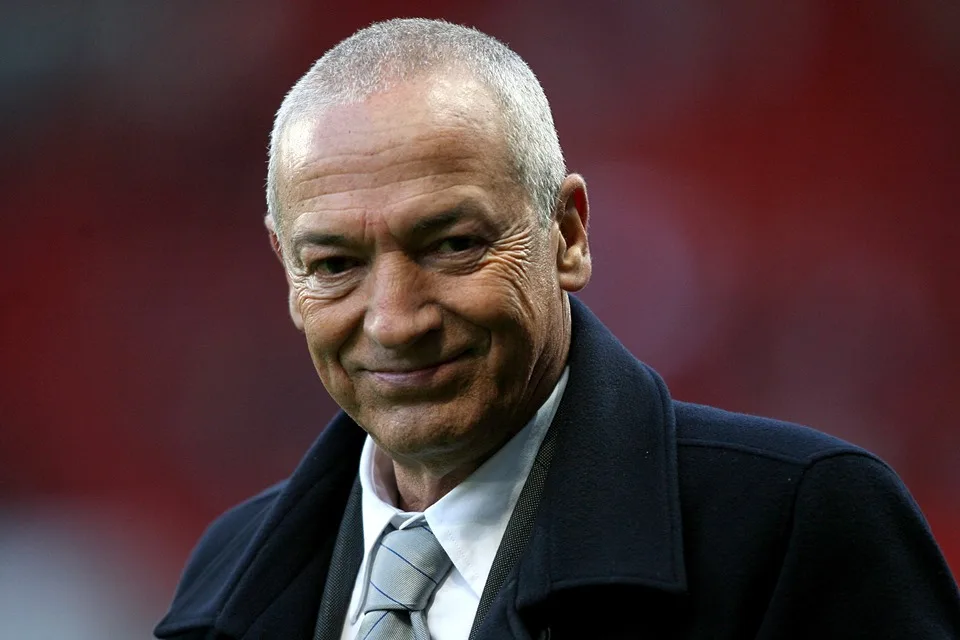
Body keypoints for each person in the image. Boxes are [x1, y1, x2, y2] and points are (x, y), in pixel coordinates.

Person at [155, 18, 960, 640]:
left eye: (454, 244)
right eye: (333, 264)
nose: (395, 320)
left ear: (567, 233)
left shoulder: (795, 526)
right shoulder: (226, 576)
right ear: (286, 270)